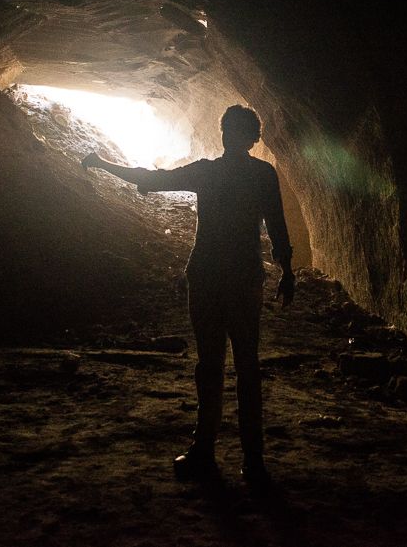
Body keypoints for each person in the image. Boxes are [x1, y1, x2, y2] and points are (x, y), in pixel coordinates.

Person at [82, 104, 296, 487]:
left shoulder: (209, 172)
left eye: (231, 130)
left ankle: (206, 451)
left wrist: (103, 164)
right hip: (241, 278)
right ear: (254, 138)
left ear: (229, 135)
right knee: (246, 367)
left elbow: (154, 178)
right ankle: (252, 460)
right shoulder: (262, 175)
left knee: (210, 365)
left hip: (209, 277)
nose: (230, 136)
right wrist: (287, 271)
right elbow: (277, 226)